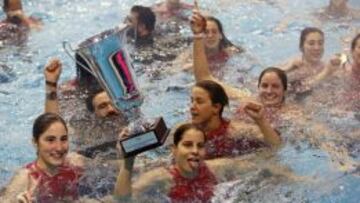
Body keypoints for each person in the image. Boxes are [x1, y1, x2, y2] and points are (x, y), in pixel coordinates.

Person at [114, 123, 262, 202]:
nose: (195, 151)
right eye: (188, 145)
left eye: (200, 146)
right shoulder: (161, 178)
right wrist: (128, 162)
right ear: (174, 150)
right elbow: (123, 200)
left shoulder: (217, 168)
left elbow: (263, 169)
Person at [1, 113, 81, 202]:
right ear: (35, 142)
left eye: (63, 139)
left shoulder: (74, 164)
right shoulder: (25, 179)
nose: (59, 148)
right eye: (50, 140)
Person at [173, 16, 243, 78]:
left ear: (220, 35)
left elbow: (248, 64)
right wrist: (194, 66)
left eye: (214, 32)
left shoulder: (230, 52)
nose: (210, 36)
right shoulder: (190, 55)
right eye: (206, 32)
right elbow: (173, 71)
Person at [280, 27, 343, 94]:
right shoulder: (293, 66)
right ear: (301, 47)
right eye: (311, 43)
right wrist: (326, 73)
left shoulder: (326, 65)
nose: (317, 48)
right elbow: (298, 90)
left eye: (320, 43)